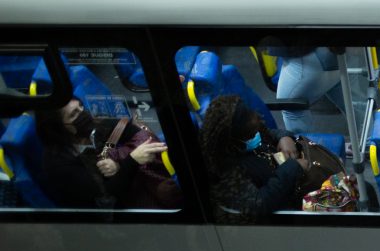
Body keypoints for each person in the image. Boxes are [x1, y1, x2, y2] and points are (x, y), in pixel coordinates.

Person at [34, 98, 171, 209]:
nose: (83, 113)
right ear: (58, 127)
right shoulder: (59, 164)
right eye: (73, 114)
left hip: (122, 180)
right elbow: (107, 194)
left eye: (80, 107)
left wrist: (118, 161)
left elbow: (129, 129)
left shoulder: (89, 129)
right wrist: (131, 160)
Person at [199, 94, 311, 222]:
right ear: (235, 134)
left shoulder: (245, 138)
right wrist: (293, 168)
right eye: (249, 119)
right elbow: (258, 206)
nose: (257, 117)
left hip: (289, 185)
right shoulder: (224, 171)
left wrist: (285, 138)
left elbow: (267, 133)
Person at [267, 46, 345, 134]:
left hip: (306, 60)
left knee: (290, 108)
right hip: (335, 56)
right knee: (350, 103)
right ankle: (363, 141)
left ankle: (304, 147)